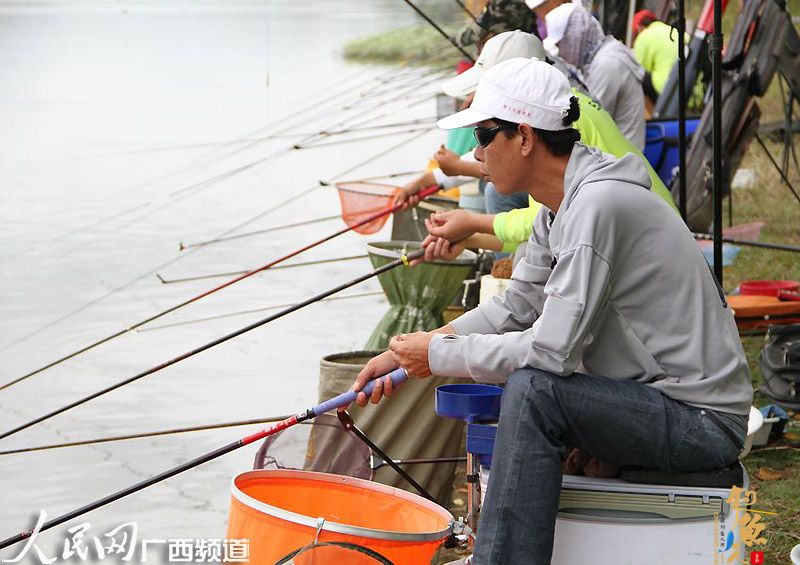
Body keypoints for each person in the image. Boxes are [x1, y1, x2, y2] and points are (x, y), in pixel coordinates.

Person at [348, 58, 752, 563]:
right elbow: (518, 305)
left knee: (534, 390)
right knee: (527, 387)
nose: (474, 152)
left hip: (702, 419)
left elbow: (552, 353)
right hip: (655, 400)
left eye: (482, 133)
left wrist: (440, 355)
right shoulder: (559, 203)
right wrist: (413, 352)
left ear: (523, 136)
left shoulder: (597, 206)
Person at [544, 3, 646, 149]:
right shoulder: (601, 55)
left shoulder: (606, 65)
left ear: (575, 36)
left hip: (621, 158)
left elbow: (589, 117)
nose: (560, 52)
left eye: (561, 44)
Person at [632, 10, 682, 102]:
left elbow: (637, 67)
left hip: (665, 89)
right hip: (688, 88)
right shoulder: (673, 31)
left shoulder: (644, 36)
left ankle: (653, 114)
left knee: (635, 77)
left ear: (639, 28)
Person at [455, 0, 539, 52]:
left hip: (508, 53)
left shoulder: (496, 6)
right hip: (532, 46)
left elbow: (471, 35)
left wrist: (455, 40)